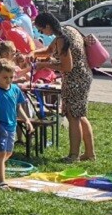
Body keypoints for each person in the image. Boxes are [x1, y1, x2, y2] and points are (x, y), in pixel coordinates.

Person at [33, 12, 95, 162]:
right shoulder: (68, 29)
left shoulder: (62, 39)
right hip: (83, 77)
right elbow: (48, 51)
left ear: (48, 26)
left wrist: (43, 65)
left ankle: (74, 155)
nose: (42, 33)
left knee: (73, 116)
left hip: (75, 80)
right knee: (80, 116)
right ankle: (89, 154)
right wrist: (30, 54)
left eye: (41, 31)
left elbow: (67, 66)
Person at [0, 59, 32, 192]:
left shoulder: (15, 89)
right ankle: (2, 182)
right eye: (5, 77)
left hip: (11, 126)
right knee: (1, 153)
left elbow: (19, 106)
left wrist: (26, 119)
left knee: (8, 152)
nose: (8, 80)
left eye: (11, 77)